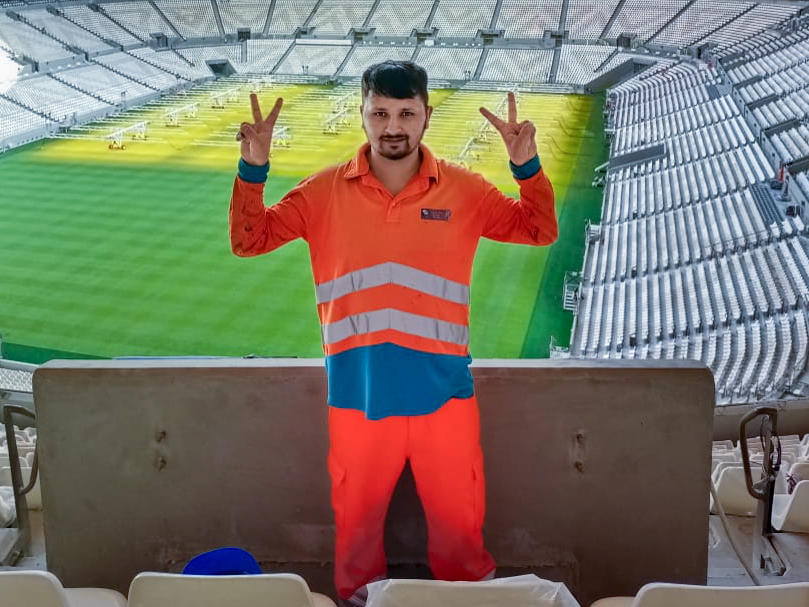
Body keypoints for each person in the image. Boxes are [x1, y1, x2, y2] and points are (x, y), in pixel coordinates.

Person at [229, 60, 557, 607]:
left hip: (444, 398)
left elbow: (539, 228)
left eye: (406, 113)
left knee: (461, 547)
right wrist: (252, 167)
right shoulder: (322, 192)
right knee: (356, 549)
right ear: (362, 115)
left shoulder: (466, 190)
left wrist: (525, 167)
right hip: (358, 400)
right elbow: (249, 239)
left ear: (427, 116)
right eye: (380, 112)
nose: (393, 126)